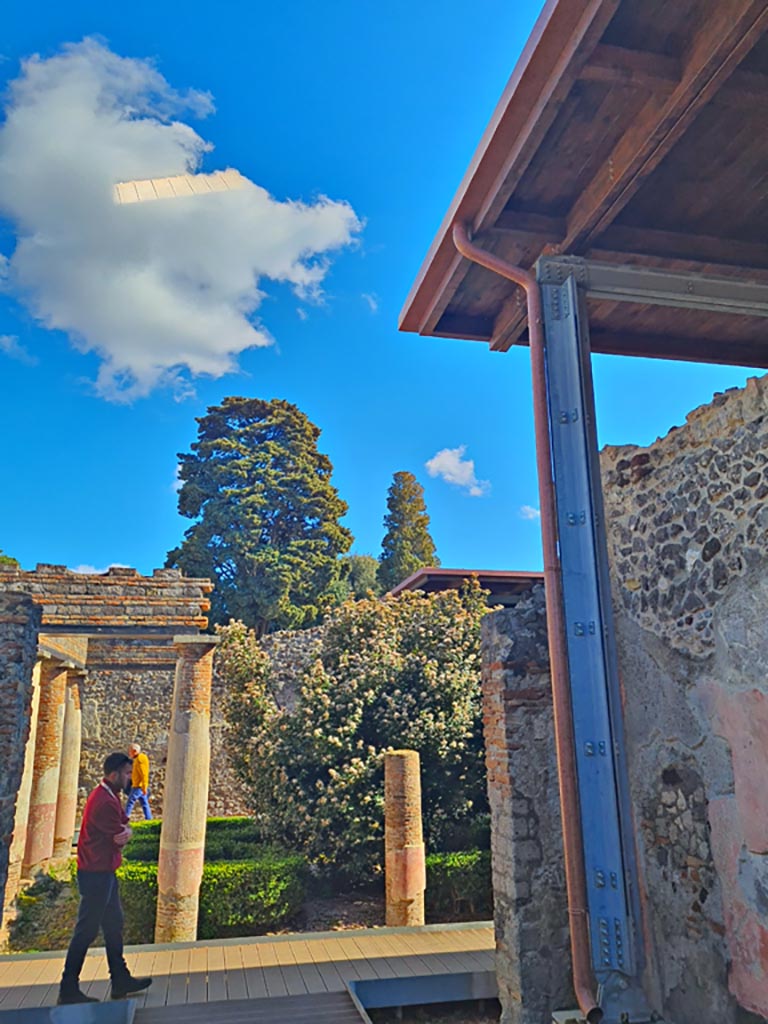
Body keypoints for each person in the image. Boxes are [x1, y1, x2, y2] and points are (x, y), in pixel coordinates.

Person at [58, 752, 152, 1005]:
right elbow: (118, 835)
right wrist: (125, 833)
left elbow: (124, 825)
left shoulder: (110, 795)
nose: (130, 778)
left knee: (113, 924)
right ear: (113, 774)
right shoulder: (104, 801)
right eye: (127, 773)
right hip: (96, 874)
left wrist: (126, 831)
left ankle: (120, 979)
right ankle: (68, 988)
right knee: (86, 931)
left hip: (103, 872)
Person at [125, 743, 152, 820]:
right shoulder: (138, 758)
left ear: (134, 751)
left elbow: (144, 774)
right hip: (139, 786)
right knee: (144, 803)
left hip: (138, 786)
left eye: (130, 751)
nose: (129, 753)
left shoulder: (140, 759)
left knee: (130, 802)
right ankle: (149, 818)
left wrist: (144, 786)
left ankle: (124, 819)